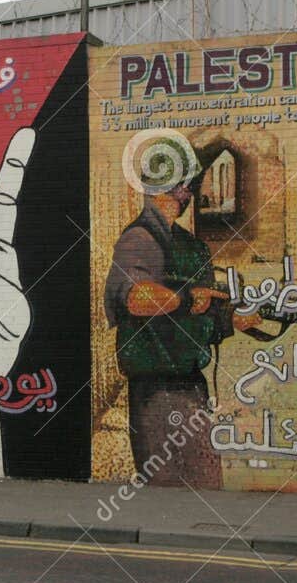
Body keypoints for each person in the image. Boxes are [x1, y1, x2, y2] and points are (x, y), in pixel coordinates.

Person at [102, 139, 264, 487]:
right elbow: (137, 298)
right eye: (180, 184)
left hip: (190, 384)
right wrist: (189, 298)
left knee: (205, 478)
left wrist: (234, 319)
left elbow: (202, 311)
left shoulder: (191, 246)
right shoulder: (139, 240)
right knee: (167, 484)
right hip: (155, 389)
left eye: (186, 184)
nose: (186, 192)